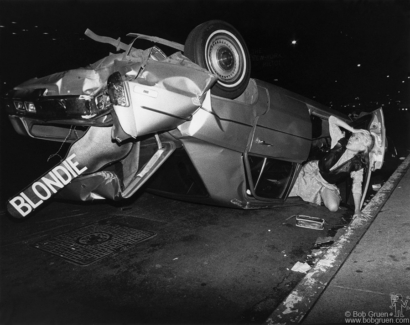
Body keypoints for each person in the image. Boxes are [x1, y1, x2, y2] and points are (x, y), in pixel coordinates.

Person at [289, 115, 374, 218]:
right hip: (312, 171)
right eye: (352, 135)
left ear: (362, 147)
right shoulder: (339, 141)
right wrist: (352, 129)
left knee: (333, 207)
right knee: (289, 196)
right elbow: (332, 119)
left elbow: (357, 188)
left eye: (356, 138)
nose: (351, 138)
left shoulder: (357, 165)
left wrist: (357, 210)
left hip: (326, 183)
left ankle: (319, 193)